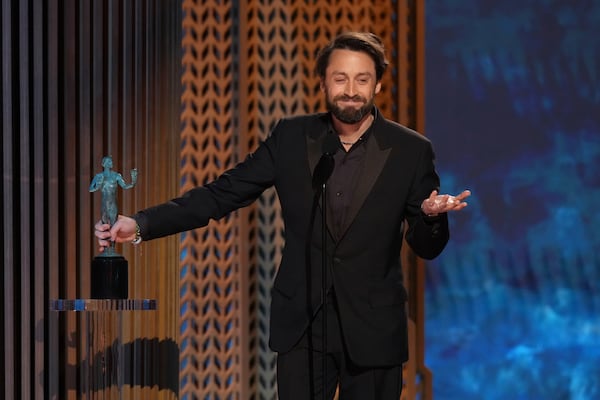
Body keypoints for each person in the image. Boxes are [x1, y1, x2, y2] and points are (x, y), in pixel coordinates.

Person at [95, 32, 470, 399]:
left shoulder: (410, 150)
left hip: (374, 330)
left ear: (377, 86)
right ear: (323, 82)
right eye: (340, 78)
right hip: (303, 326)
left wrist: (431, 217)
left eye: (362, 79)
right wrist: (141, 225)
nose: (351, 89)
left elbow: (426, 247)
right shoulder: (293, 137)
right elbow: (222, 194)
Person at [89, 155, 137, 255]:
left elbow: (125, 186)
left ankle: (112, 249)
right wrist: (98, 184)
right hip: (104, 204)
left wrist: (134, 179)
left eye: (111, 161)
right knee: (105, 225)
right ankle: (106, 249)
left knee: (114, 225)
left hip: (113, 204)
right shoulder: (99, 176)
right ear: (103, 164)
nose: (110, 163)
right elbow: (91, 189)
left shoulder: (116, 176)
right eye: (108, 162)